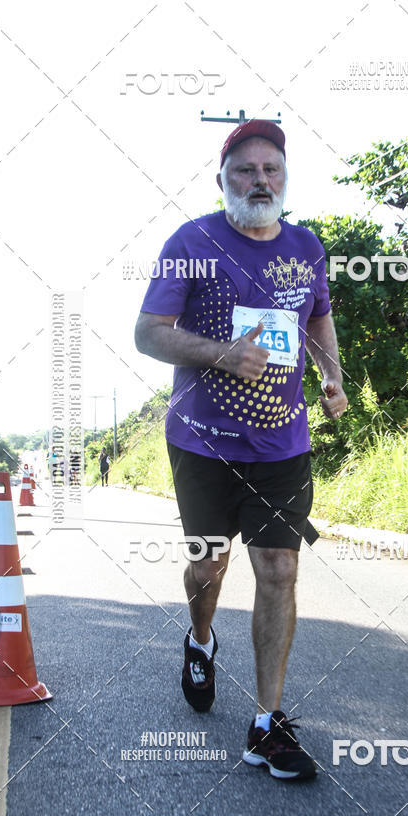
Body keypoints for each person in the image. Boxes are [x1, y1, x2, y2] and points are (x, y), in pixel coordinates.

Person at [134, 119, 347, 782]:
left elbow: (318, 316)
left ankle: (267, 725)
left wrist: (332, 374)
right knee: (209, 565)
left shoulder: (306, 247)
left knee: (278, 567)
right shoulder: (191, 243)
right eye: (246, 170)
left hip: (281, 442)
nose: (260, 181)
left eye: (271, 169)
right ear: (223, 179)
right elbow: (149, 332)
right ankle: (200, 639)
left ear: (284, 177)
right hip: (203, 441)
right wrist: (223, 354)